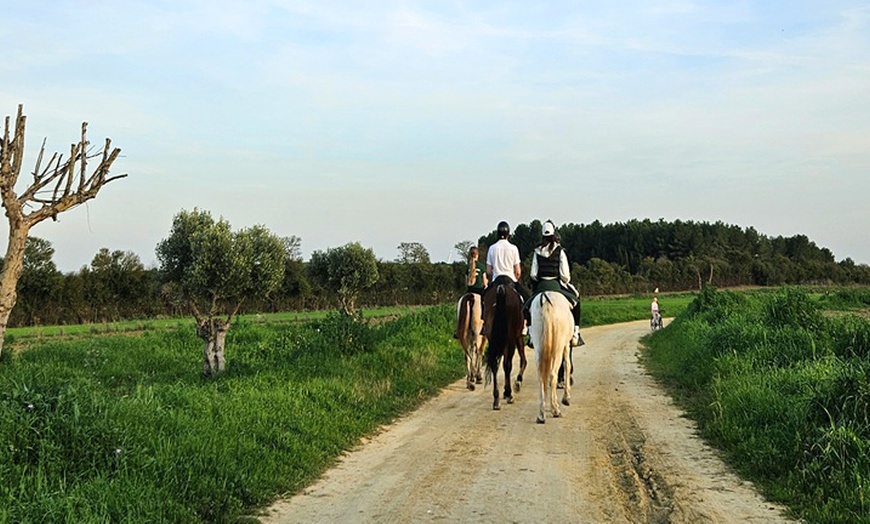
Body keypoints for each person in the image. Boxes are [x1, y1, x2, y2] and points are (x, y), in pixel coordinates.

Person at [527, 220, 583, 347]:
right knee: (577, 298)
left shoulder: (537, 251)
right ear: (553, 234)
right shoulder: (560, 250)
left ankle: (530, 334)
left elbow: (533, 274)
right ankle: (575, 333)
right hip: (557, 284)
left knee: (528, 305)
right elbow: (565, 276)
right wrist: (563, 281)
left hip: (541, 285)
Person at [485, 221, 530, 303]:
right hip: (510, 280)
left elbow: (488, 271)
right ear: (508, 234)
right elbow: (518, 272)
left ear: (497, 233)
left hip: (496, 280)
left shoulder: (492, 248)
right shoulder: (513, 248)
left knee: (482, 299)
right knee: (527, 299)